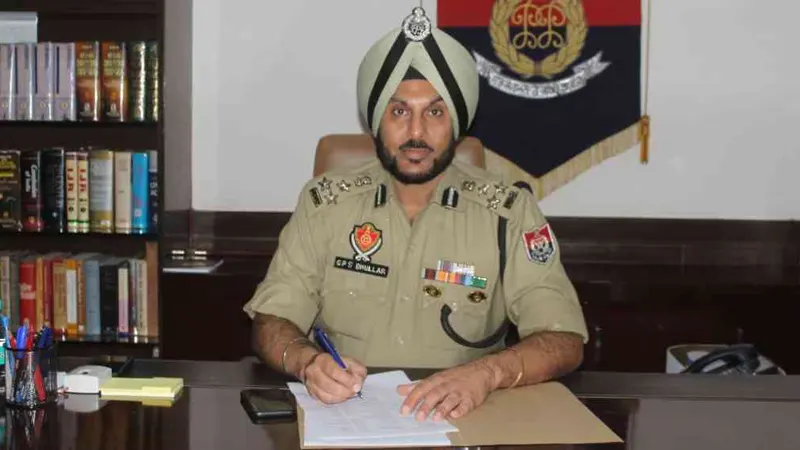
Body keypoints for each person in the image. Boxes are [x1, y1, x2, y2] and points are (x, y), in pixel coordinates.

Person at [243, 7, 588, 423]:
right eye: (399, 111)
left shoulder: (508, 213)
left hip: (466, 417)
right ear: (376, 122)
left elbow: (564, 339)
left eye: (435, 112)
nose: (417, 133)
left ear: (456, 124)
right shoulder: (324, 204)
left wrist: (486, 374)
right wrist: (307, 363)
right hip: (345, 417)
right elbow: (273, 319)